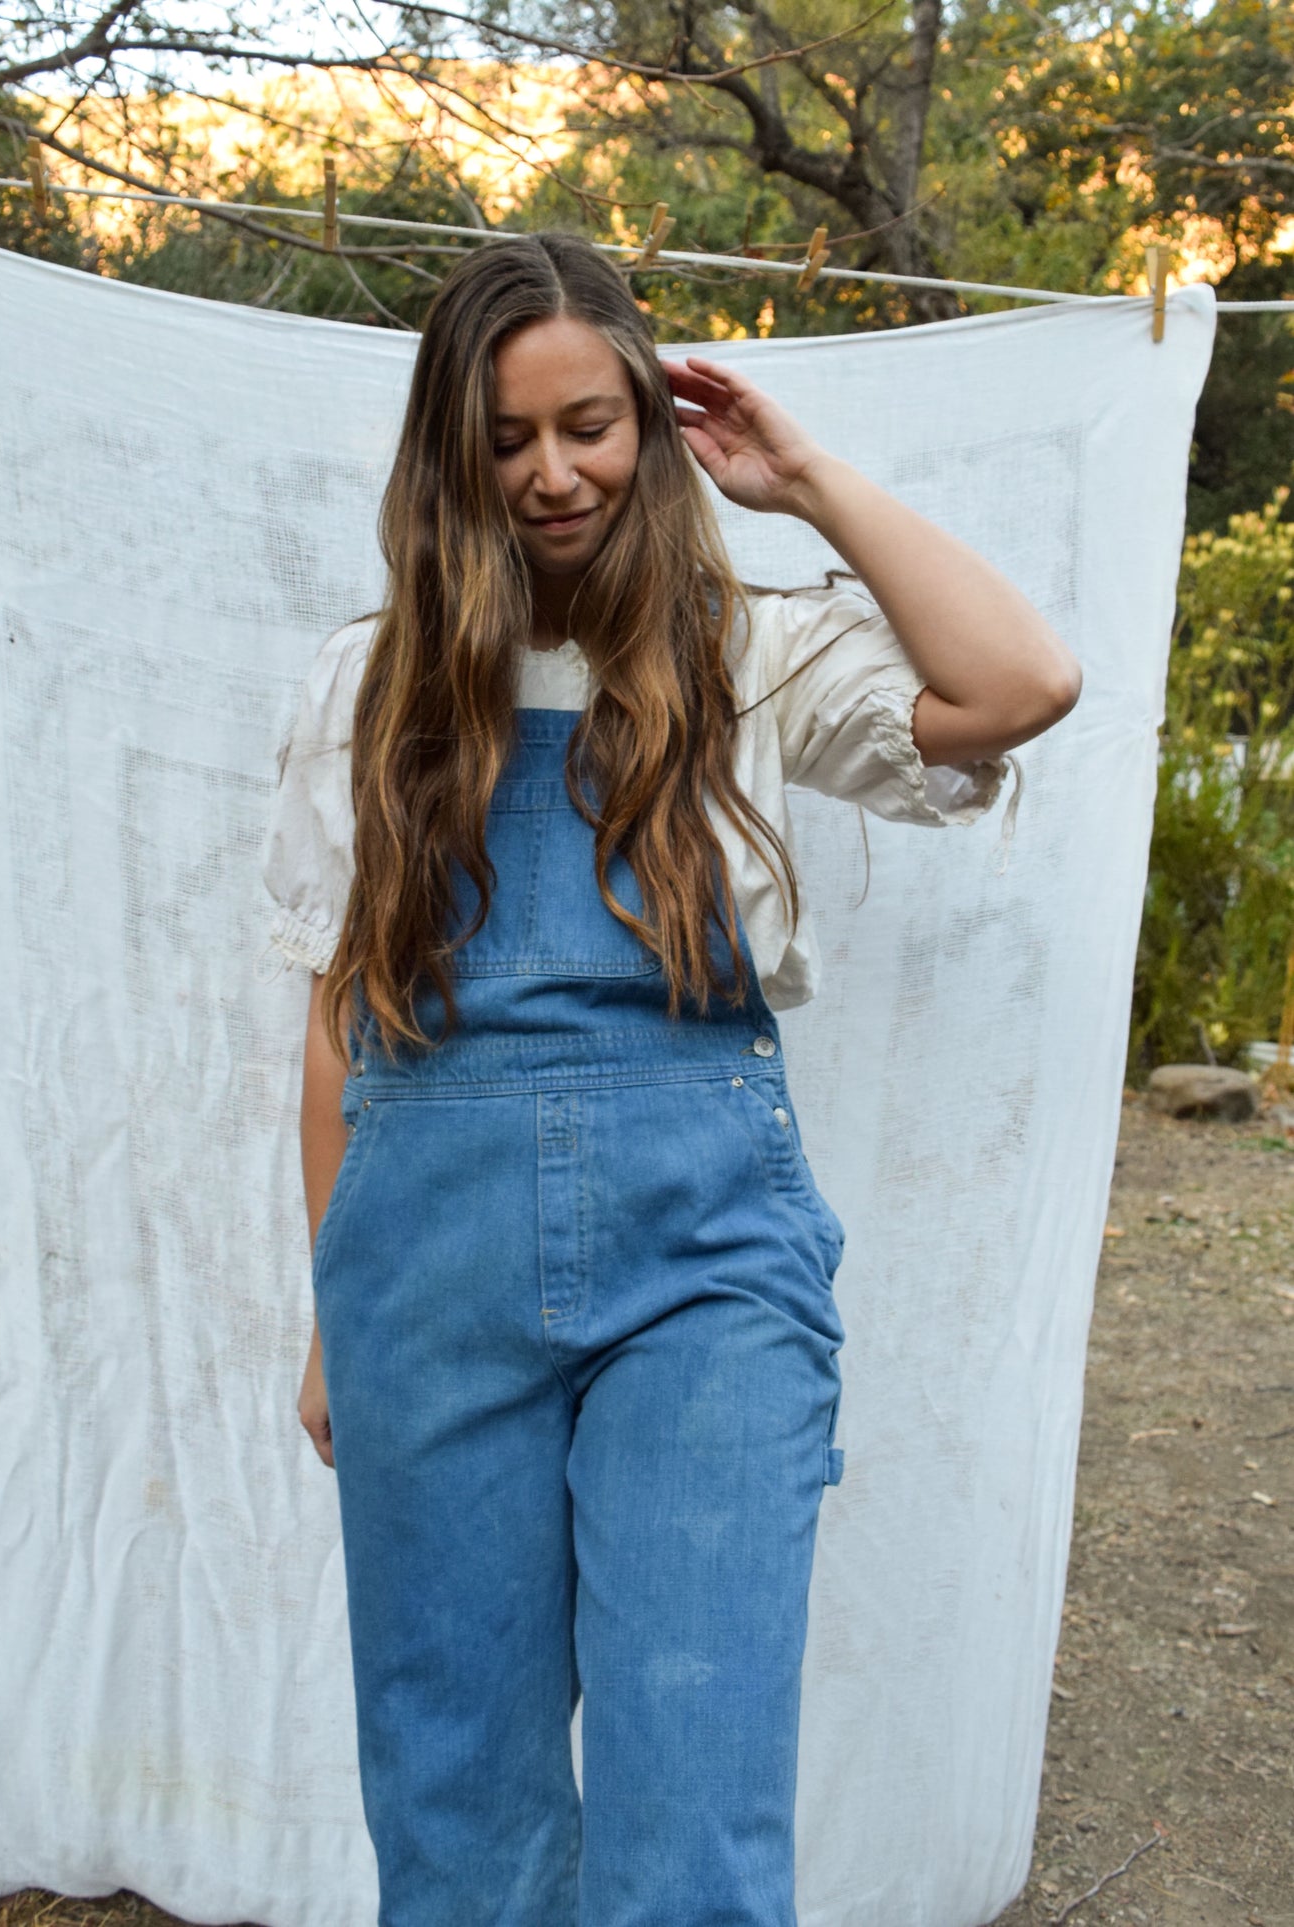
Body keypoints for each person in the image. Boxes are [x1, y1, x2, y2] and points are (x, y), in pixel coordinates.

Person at [259, 230, 1081, 1927]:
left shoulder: (748, 654)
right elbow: (346, 1013)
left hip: (705, 1260)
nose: (551, 475)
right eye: (503, 439)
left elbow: (1021, 686)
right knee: (456, 1798)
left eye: (587, 425)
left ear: (647, 419)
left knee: (692, 1804)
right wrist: (333, 1309)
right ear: (449, 457)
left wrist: (807, 483)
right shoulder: (372, 680)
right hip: (424, 1266)